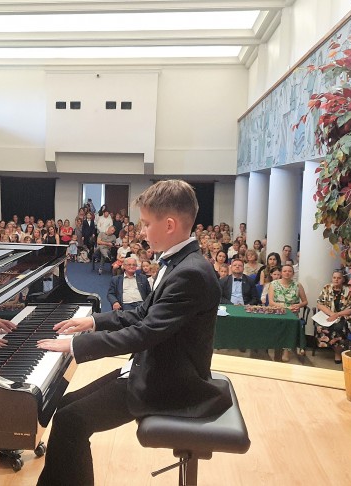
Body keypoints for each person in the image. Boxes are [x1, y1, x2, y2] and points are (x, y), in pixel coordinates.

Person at [36, 180, 231, 486]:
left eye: (146, 223)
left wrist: (77, 346)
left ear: (169, 225)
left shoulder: (191, 273)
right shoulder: (179, 262)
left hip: (169, 383)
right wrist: (93, 322)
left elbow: (145, 333)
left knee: (70, 421)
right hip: (151, 367)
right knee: (64, 405)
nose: (141, 231)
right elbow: (143, 313)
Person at [315, 270, 351, 364]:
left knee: (339, 327)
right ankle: (330, 346)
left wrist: (337, 315)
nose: (336, 280)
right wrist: (331, 314)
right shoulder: (327, 288)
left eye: (339, 278)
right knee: (321, 327)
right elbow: (319, 304)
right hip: (328, 315)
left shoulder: (349, 290)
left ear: (343, 279)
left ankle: (338, 353)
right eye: (334, 278)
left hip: (345, 316)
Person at [268, 263, 308, 362]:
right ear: (281, 273)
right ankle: (277, 349)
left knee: (290, 323)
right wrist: (286, 307)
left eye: (290, 271)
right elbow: (271, 302)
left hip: (292, 312)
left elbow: (305, 302)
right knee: (278, 324)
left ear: (293, 273)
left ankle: (286, 350)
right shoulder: (273, 284)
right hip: (277, 310)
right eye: (285, 271)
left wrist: (298, 305)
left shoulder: (298, 285)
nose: (287, 273)